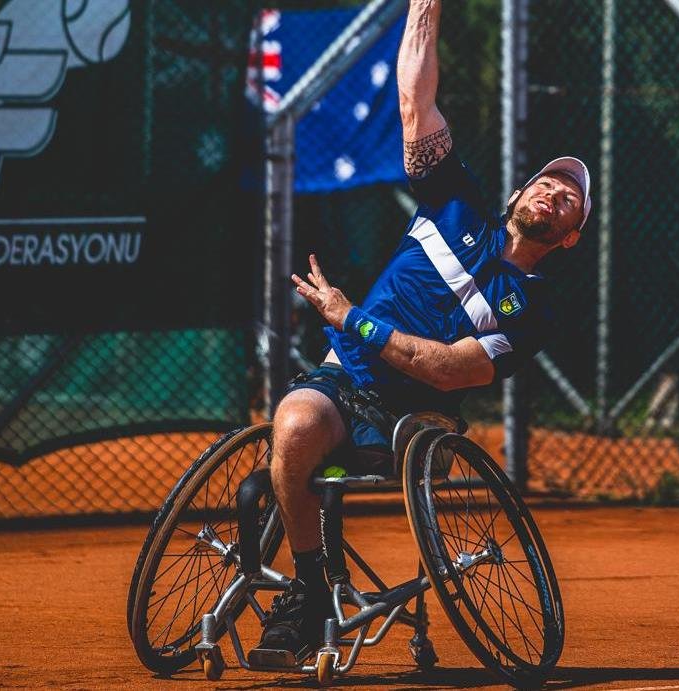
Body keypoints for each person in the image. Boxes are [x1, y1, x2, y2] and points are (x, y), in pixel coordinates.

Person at [247, 0, 591, 666]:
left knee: (409, 410)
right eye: (547, 182)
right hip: (343, 382)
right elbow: (414, 99)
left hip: (415, 420)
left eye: (569, 197)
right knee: (291, 426)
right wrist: (423, 7)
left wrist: (353, 317)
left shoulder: (531, 310)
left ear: (569, 235)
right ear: (519, 193)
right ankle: (310, 585)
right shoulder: (454, 200)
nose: (554, 192)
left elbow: (448, 370)